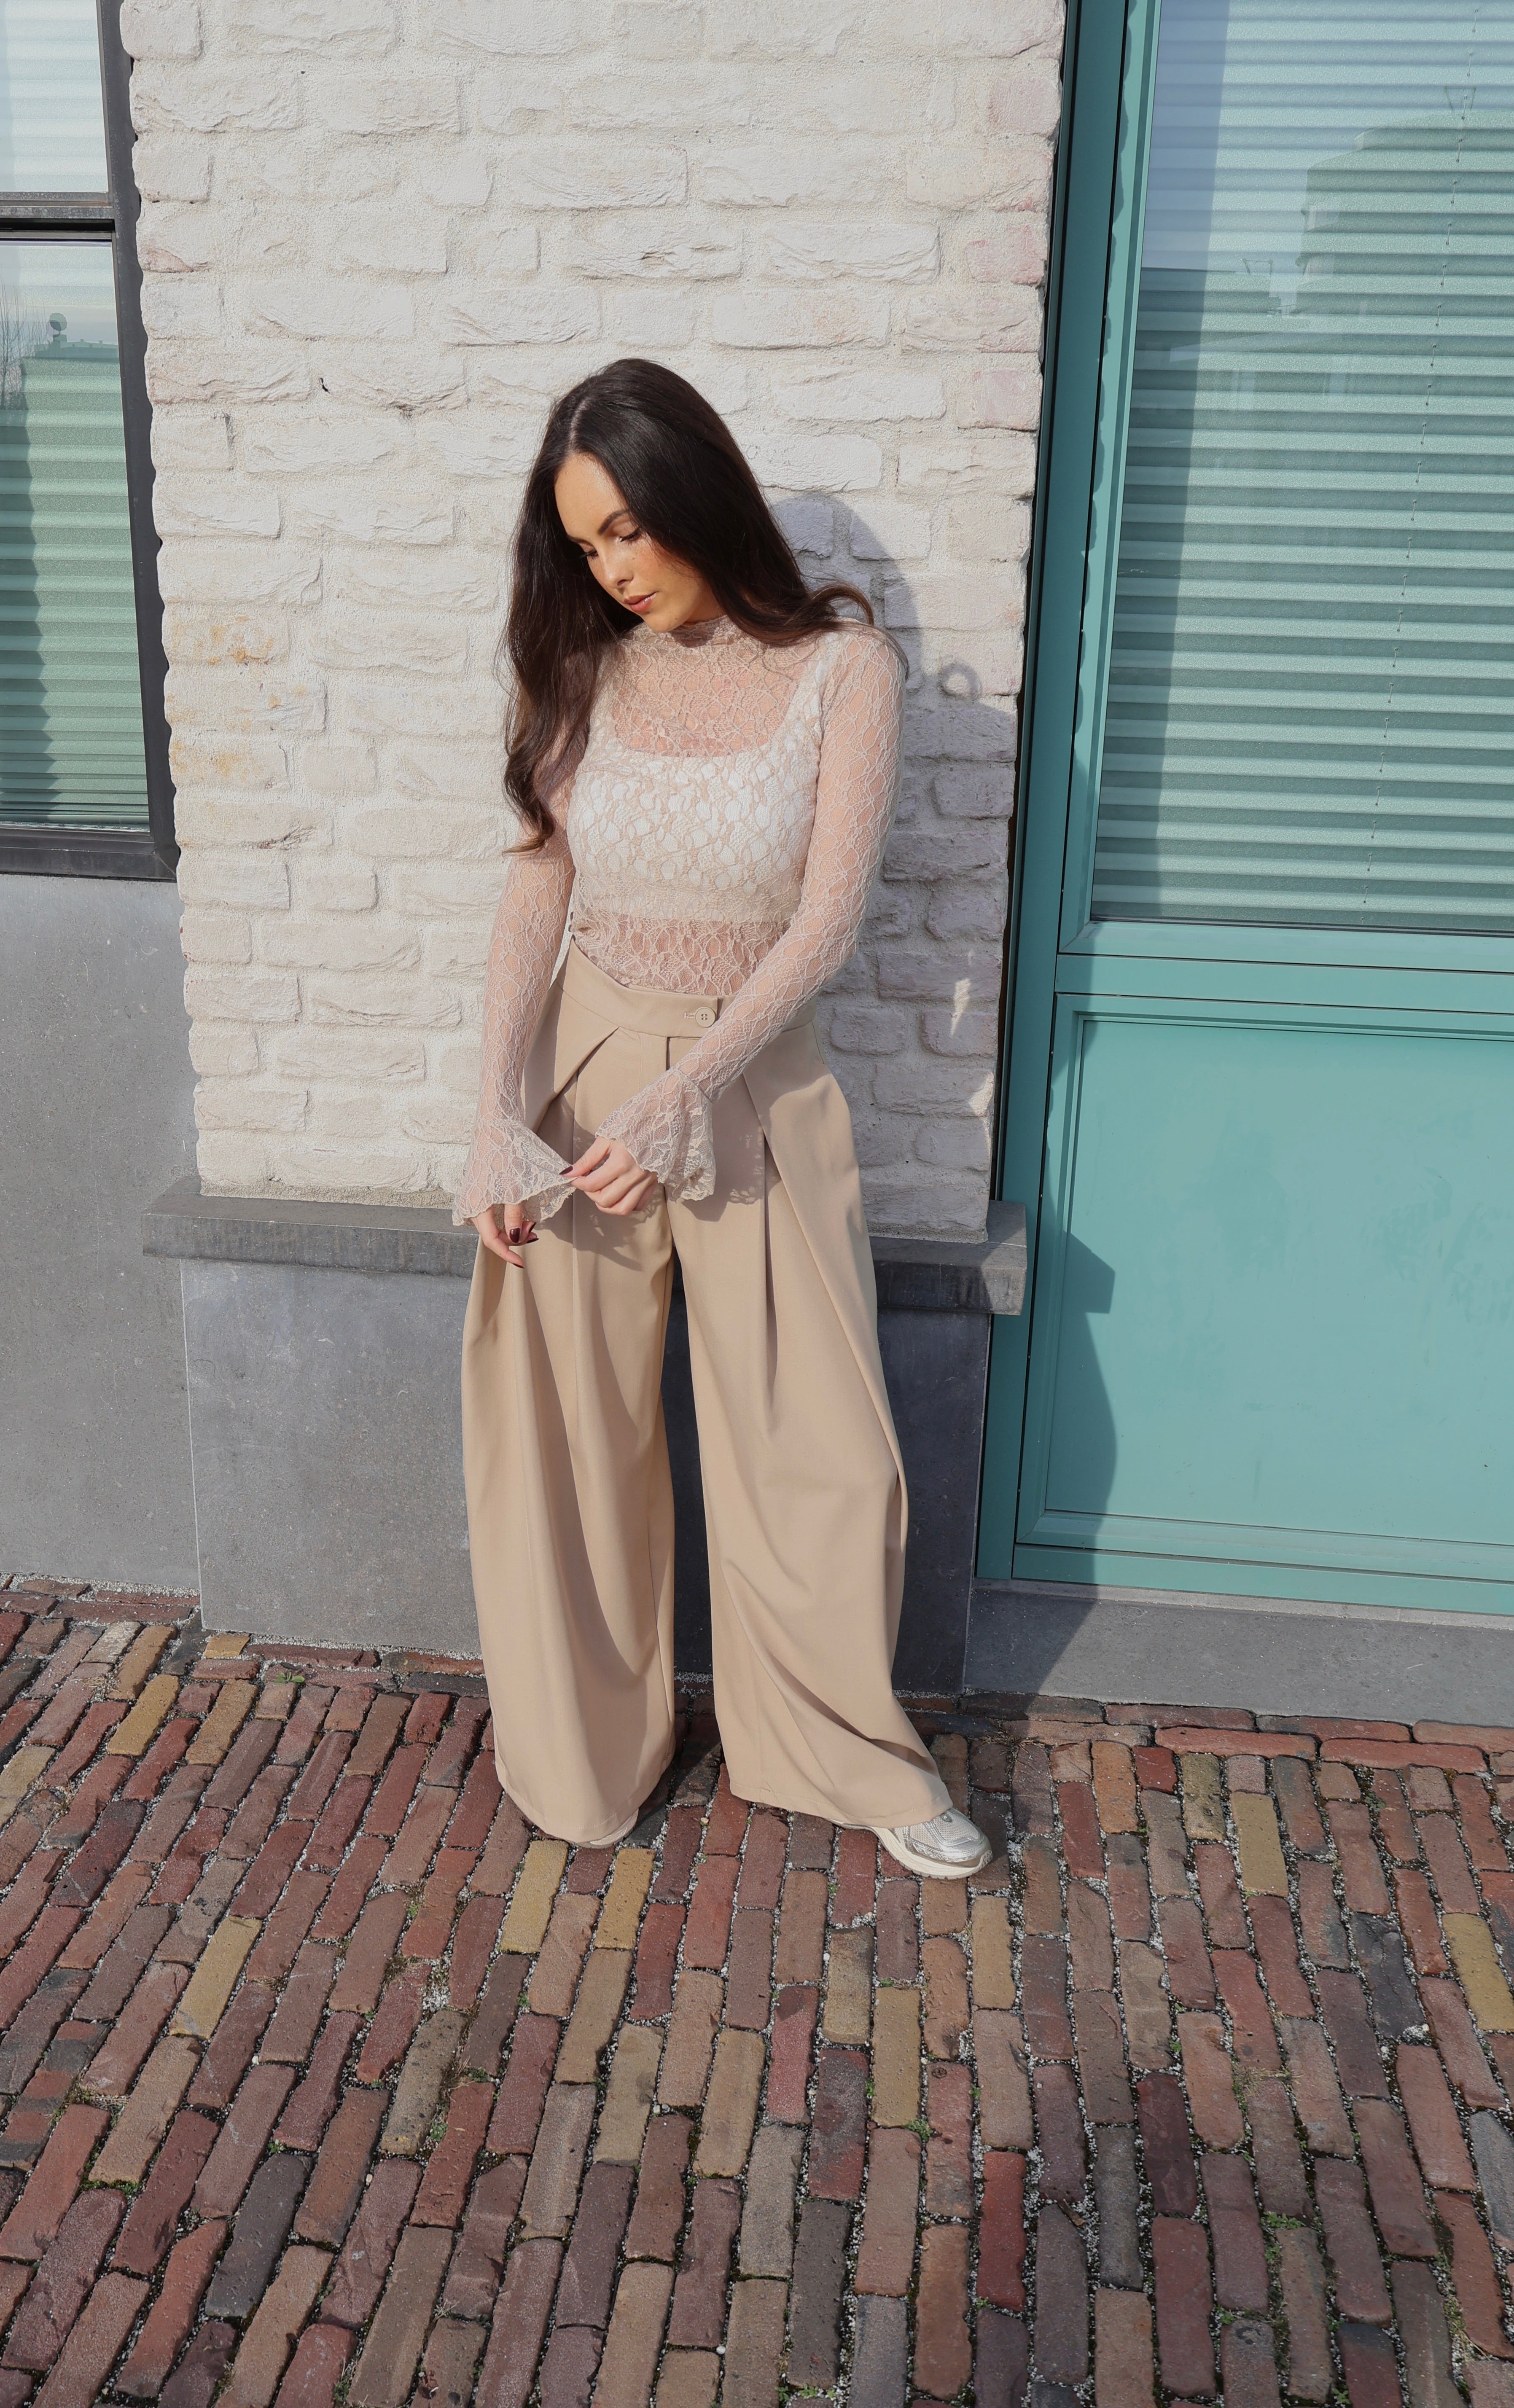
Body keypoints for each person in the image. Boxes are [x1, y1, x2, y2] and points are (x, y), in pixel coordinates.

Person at [454, 357, 991, 1880]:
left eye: (628, 528)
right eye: (586, 545)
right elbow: (538, 885)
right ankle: (583, 1754)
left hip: (750, 1080)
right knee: (568, 1439)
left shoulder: (840, 671)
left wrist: (688, 1090)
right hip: (583, 1074)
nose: (612, 570)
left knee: (816, 1443)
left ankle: (845, 1754)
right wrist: (493, 1115)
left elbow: (827, 921)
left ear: (697, 492)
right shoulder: (585, 666)